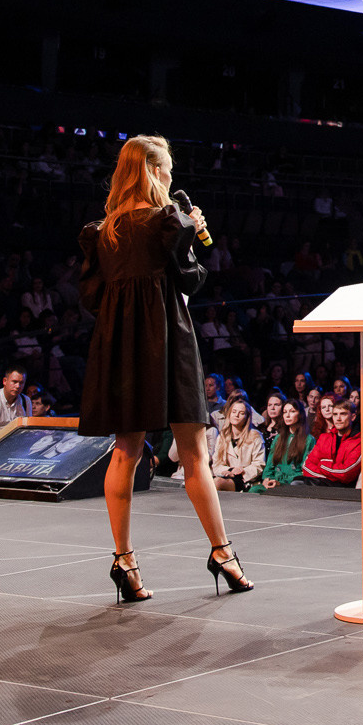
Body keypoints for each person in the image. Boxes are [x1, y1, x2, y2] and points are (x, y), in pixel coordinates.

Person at [75, 136, 251, 601]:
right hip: (168, 341)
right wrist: (191, 230)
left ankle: (124, 561)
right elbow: (190, 279)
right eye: (168, 169)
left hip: (120, 346)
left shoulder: (102, 232)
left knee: (125, 451)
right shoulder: (168, 221)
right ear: (153, 171)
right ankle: (222, 553)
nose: (172, 178)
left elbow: (92, 297)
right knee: (194, 451)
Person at [302, 400, 363, 485]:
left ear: (353, 417)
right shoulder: (324, 438)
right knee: (297, 482)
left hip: (344, 490)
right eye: (335, 414)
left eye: (343, 414)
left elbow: (346, 473)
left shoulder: (359, 441)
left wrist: (322, 464)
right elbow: (306, 466)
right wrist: (329, 478)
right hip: (322, 485)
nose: (338, 418)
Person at [210, 398, 265, 492]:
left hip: (245, 479)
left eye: (241, 413)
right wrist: (228, 470)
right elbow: (216, 464)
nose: (236, 415)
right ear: (229, 414)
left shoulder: (255, 436)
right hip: (225, 476)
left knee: (217, 483)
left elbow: (259, 464)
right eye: (234, 412)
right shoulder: (222, 437)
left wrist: (241, 471)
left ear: (247, 417)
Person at [260, 399, 308, 488]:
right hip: (273, 480)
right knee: (255, 490)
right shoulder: (279, 437)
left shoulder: (308, 439)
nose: (287, 415)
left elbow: (305, 470)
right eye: (285, 412)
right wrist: (267, 479)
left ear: (300, 414)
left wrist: (281, 483)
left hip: (292, 484)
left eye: (292, 411)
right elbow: (270, 464)